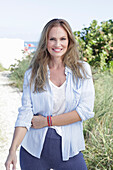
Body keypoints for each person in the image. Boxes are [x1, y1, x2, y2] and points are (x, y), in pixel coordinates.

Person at [5, 18, 95, 170]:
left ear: (69, 41)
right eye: (52, 39)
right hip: (34, 150)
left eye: (62, 39)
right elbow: (26, 113)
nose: (57, 44)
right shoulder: (32, 74)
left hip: (70, 149)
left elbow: (84, 111)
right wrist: (12, 150)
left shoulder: (82, 70)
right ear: (45, 42)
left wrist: (47, 121)